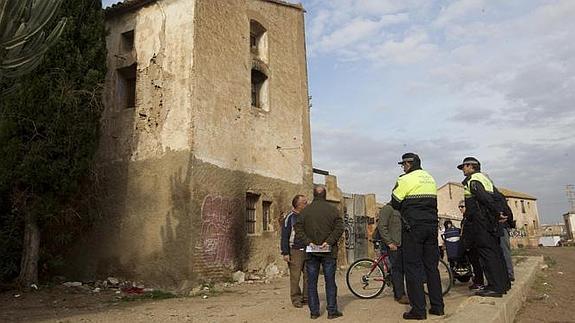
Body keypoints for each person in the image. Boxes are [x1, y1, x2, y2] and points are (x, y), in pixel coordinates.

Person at [391, 153, 444, 320]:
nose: (403, 168)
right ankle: (437, 307)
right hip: (431, 227)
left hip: (413, 228)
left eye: (403, 165)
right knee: (431, 268)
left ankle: (419, 310)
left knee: (412, 268)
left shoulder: (405, 179)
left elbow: (395, 202)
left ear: (408, 164)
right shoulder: (430, 178)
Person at [458, 156, 510, 297]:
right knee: (496, 254)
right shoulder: (485, 179)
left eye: (464, 166)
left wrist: (498, 213)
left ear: (470, 166)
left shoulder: (473, 181)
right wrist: (505, 214)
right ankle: (503, 284)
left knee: (487, 255)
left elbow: (484, 198)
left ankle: (495, 287)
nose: (462, 169)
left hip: (481, 224)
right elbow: (499, 197)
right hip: (491, 223)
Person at [295, 186, 344, 320]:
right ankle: (332, 311)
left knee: (311, 282)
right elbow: (340, 227)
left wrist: (308, 242)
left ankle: (314, 312)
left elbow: (298, 228)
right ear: (325, 195)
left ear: (313, 195)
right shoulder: (333, 210)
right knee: (330, 281)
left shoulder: (305, 211)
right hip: (329, 252)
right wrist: (328, 242)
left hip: (311, 252)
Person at [280, 194, 308, 308]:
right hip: (295, 251)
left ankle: (306, 297)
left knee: (309, 275)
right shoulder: (290, 218)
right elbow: (284, 236)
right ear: (298, 205)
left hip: (308, 249)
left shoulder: (307, 216)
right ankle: (296, 299)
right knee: (295, 277)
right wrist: (285, 252)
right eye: (305, 202)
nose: (307, 204)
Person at [377, 203, 408, 304]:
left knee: (400, 269)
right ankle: (400, 295)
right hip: (393, 245)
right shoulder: (387, 209)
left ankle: (398, 291)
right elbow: (382, 226)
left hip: (401, 244)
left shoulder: (400, 209)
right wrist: (389, 243)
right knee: (397, 269)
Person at [458, 201, 485, 290]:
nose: (460, 208)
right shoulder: (465, 218)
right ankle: (476, 281)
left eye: (462, 206)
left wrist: (469, 245)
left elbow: (471, 232)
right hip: (467, 244)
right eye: (459, 207)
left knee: (476, 264)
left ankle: (479, 282)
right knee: (473, 264)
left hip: (472, 245)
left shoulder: (470, 218)